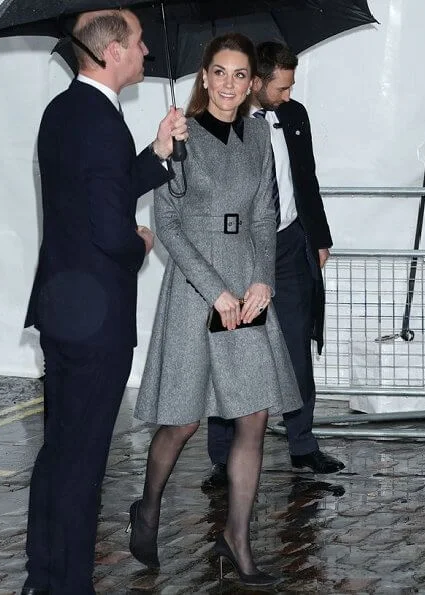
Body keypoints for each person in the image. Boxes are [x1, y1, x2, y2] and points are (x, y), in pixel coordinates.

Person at [21, 9, 188, 595]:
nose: (147, 53)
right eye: (139, 44)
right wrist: (140, 242)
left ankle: (43, 578)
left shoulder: (67, 110)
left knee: (59, 454)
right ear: (113, 52)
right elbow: (109, 228)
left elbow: (102, 185)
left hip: (64, 310)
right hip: (96, 320)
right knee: (82, 464)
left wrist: (159, 152)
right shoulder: (99, 121)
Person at [129, 33, 302, 588]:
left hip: (247, 285)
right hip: (193, 287)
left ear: (253, 82)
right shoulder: (179, 134)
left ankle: (237, 538)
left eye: (240, 74)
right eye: (220, 73)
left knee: (254, 415)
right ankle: (149, 506)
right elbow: (169, 225)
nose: (229, 84)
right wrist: (214, 289)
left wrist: (262, 280)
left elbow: (263, 214)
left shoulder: (258, 133)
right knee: (181, 421)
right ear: (205, 76)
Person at [204, 41, 345, 488]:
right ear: (257, 82)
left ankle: (303, 445)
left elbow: (307, 178)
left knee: (296, 349)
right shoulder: (227, 123)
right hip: (239, 253)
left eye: (290, 87)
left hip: (289, 246)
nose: (287, 95)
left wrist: (318, 239)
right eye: (280, 88)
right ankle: (222, 460)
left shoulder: (294, 115)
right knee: (232, 353)